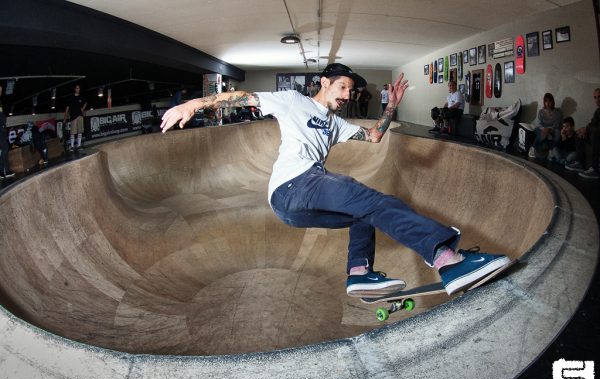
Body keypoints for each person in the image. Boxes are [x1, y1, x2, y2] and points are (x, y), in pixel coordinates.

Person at [160, 62, 511, 297]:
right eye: (341, 88)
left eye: (348, 92)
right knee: (376, 201)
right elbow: (241, 97)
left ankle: (358, 271)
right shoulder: (292, 100)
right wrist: (194, 104)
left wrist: (391, 107)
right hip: (296, 183)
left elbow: (373, 138)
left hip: (295, 208)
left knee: (363, 214)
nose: (345, 96)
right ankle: (446, 259)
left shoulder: (336, 123)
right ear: (325, 82)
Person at [565, 87, 600, 179]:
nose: (597, 100)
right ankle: (579, 163)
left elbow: (596, 128)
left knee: (595, 133)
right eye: (595, 97)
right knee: (578, 133)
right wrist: (584, 130)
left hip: (598, 136)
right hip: (595, 135)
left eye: (599, 97)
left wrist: (587, 129)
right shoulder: (598, 111)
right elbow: (593, 124)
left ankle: (595, 169)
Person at [528, 93, 562, 159]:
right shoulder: (541, 112)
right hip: (540, 129)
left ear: (552, 101)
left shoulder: (557, 113)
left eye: (549, 101)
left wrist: (548, 130)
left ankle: (551, 151)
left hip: (552, 130)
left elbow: (556, 125)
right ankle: (532, 149)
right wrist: (544, 129)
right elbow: (538, 123)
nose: (548, 103)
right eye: (546, 101)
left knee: (557, 132)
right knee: (542, 133)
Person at [63, 84, 87, 152]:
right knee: (72, 132)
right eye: (76, 88)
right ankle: (72, 146)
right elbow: (67, 108)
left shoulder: (81, 97)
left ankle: (79, 146)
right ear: (75, 89)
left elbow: (85, 103)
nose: (78, 89)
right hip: (73, 117)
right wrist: (65, 118)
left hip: (80, 116)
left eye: (79, 88)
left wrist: (83, 108)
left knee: (80, 132)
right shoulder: (71, 98)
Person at [0, 85, 15, 179]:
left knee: (5, 149)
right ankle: (1, 171)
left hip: (2, 128)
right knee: (5, 147)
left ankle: (7, 170)